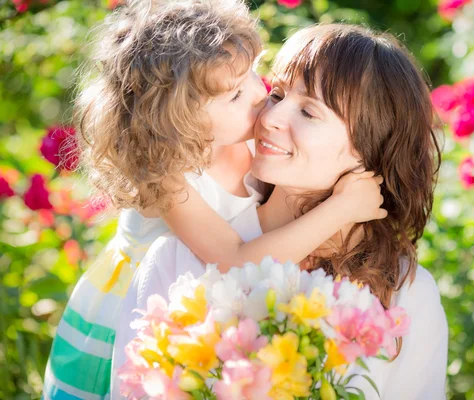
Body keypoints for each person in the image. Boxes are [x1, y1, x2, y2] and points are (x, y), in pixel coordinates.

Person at [42, 2, 385, 398]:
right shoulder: (169, 178)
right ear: (180, 120)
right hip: (133, 320)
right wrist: (341, 208)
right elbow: (236, 260)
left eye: (254, 72)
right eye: (237, 94)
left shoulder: (251, 138)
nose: (260, 93)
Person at [113, 23, 448, 399]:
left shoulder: (405, 294)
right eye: (277, 94)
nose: (269, 118)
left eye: (308, 112)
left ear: (371, 147)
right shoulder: (180, 259)